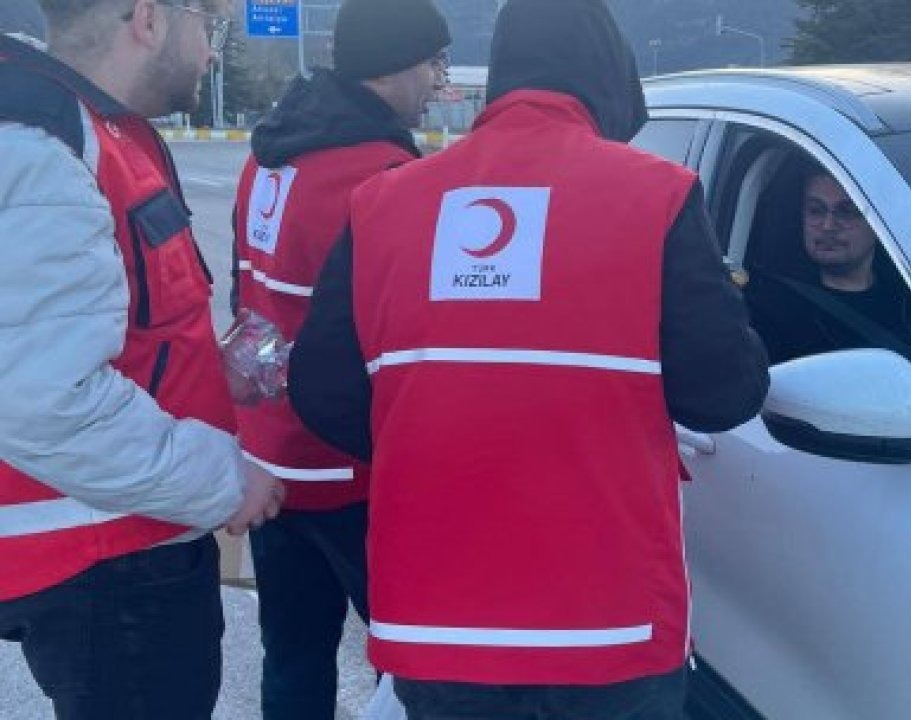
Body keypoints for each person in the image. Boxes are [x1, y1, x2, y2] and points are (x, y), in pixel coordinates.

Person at [288, 0, 770, 716]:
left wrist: (434, 437)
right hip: (607, 625)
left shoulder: (383, 202)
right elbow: (725, 392)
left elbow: (319, 390)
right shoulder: (658, 196)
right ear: (610, 76)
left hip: (436, 622)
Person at [0, 1, 282, 717]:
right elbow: (45, 401)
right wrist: (226, 480)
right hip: (104, 557)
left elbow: (91, 336)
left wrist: (204, 371)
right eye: (209, 25)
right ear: (149, 19)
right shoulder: (44, 145)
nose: (212, 52)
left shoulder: (92, 131)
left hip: (119, 543)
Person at [230, 0, 449, 716]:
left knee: (293, 657)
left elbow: (244, 295)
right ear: (390, 67)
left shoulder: (265, 159)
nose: (440, 81)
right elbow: (410, 334)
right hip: (350, 470)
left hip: (270, 459)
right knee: (413, 661)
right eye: (433, 63)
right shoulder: (382, 174)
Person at [748, 168, 911, 364]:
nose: (828, 226)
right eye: (816, 210)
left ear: (879, 222)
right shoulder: (771, 310)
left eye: (847, 212)